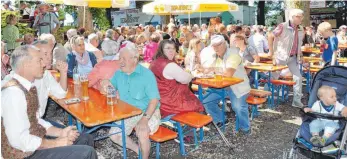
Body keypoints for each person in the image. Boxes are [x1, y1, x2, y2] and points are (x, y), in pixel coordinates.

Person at [1, 45, 97, 159]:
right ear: (26, 65)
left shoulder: (27, 86)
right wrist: (56, 143)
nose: (44, 64)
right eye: (39, 60)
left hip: (33, 140)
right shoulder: (13, 93)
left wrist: (60, 133)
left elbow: (35, 120)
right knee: (87, 152)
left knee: (85, 139)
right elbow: (19, 140)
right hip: (22, 154)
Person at [100, 45, 161, 159]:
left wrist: (144, 120)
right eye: (119, 58)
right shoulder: (119, 73)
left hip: (148, 111)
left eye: (124, 58)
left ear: (135, 59)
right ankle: (138, 150)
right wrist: (104, 84)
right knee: (115, 135)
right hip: (128, 112)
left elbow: (154, 100)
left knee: (142, 132)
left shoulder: (146, 75)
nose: (120, 62)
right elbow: (108, 89)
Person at [201, 35, 251, 132]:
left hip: (238, 86)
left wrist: (212, 69)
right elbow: (209, 70)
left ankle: (245, 128)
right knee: (206, 100)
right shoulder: (216, 56)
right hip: (222, 86)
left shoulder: (233, 54)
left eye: (218, 45)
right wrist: (205, 69)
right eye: (214, 46)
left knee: (238, 107)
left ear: (224, 44)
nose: (216, 48)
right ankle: (221, 120)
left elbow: (228, 73)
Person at [150, 40, 204, 117]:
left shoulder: (154, 62)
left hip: (157, 101)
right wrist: (189, 74)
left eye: (173, 48)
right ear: (161, 50)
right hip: (170, 104)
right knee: (196, 102)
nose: (171, 51)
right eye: (168, 48)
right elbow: (186, 79)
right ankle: (191, 125)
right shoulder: (168, 65)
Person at [268, 8, 305, 107]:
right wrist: (272, 53)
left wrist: (301, 55)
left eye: (302, 16)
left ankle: (296, 101)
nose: (301, 18)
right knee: (273, 77)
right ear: (292, 17)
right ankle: (265, 95)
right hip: (280, 56)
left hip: (293, 58)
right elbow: (270, 36)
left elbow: (298, 44)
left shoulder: (301, 28)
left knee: (298, 78)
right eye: (299, 16)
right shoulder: (282, 26)